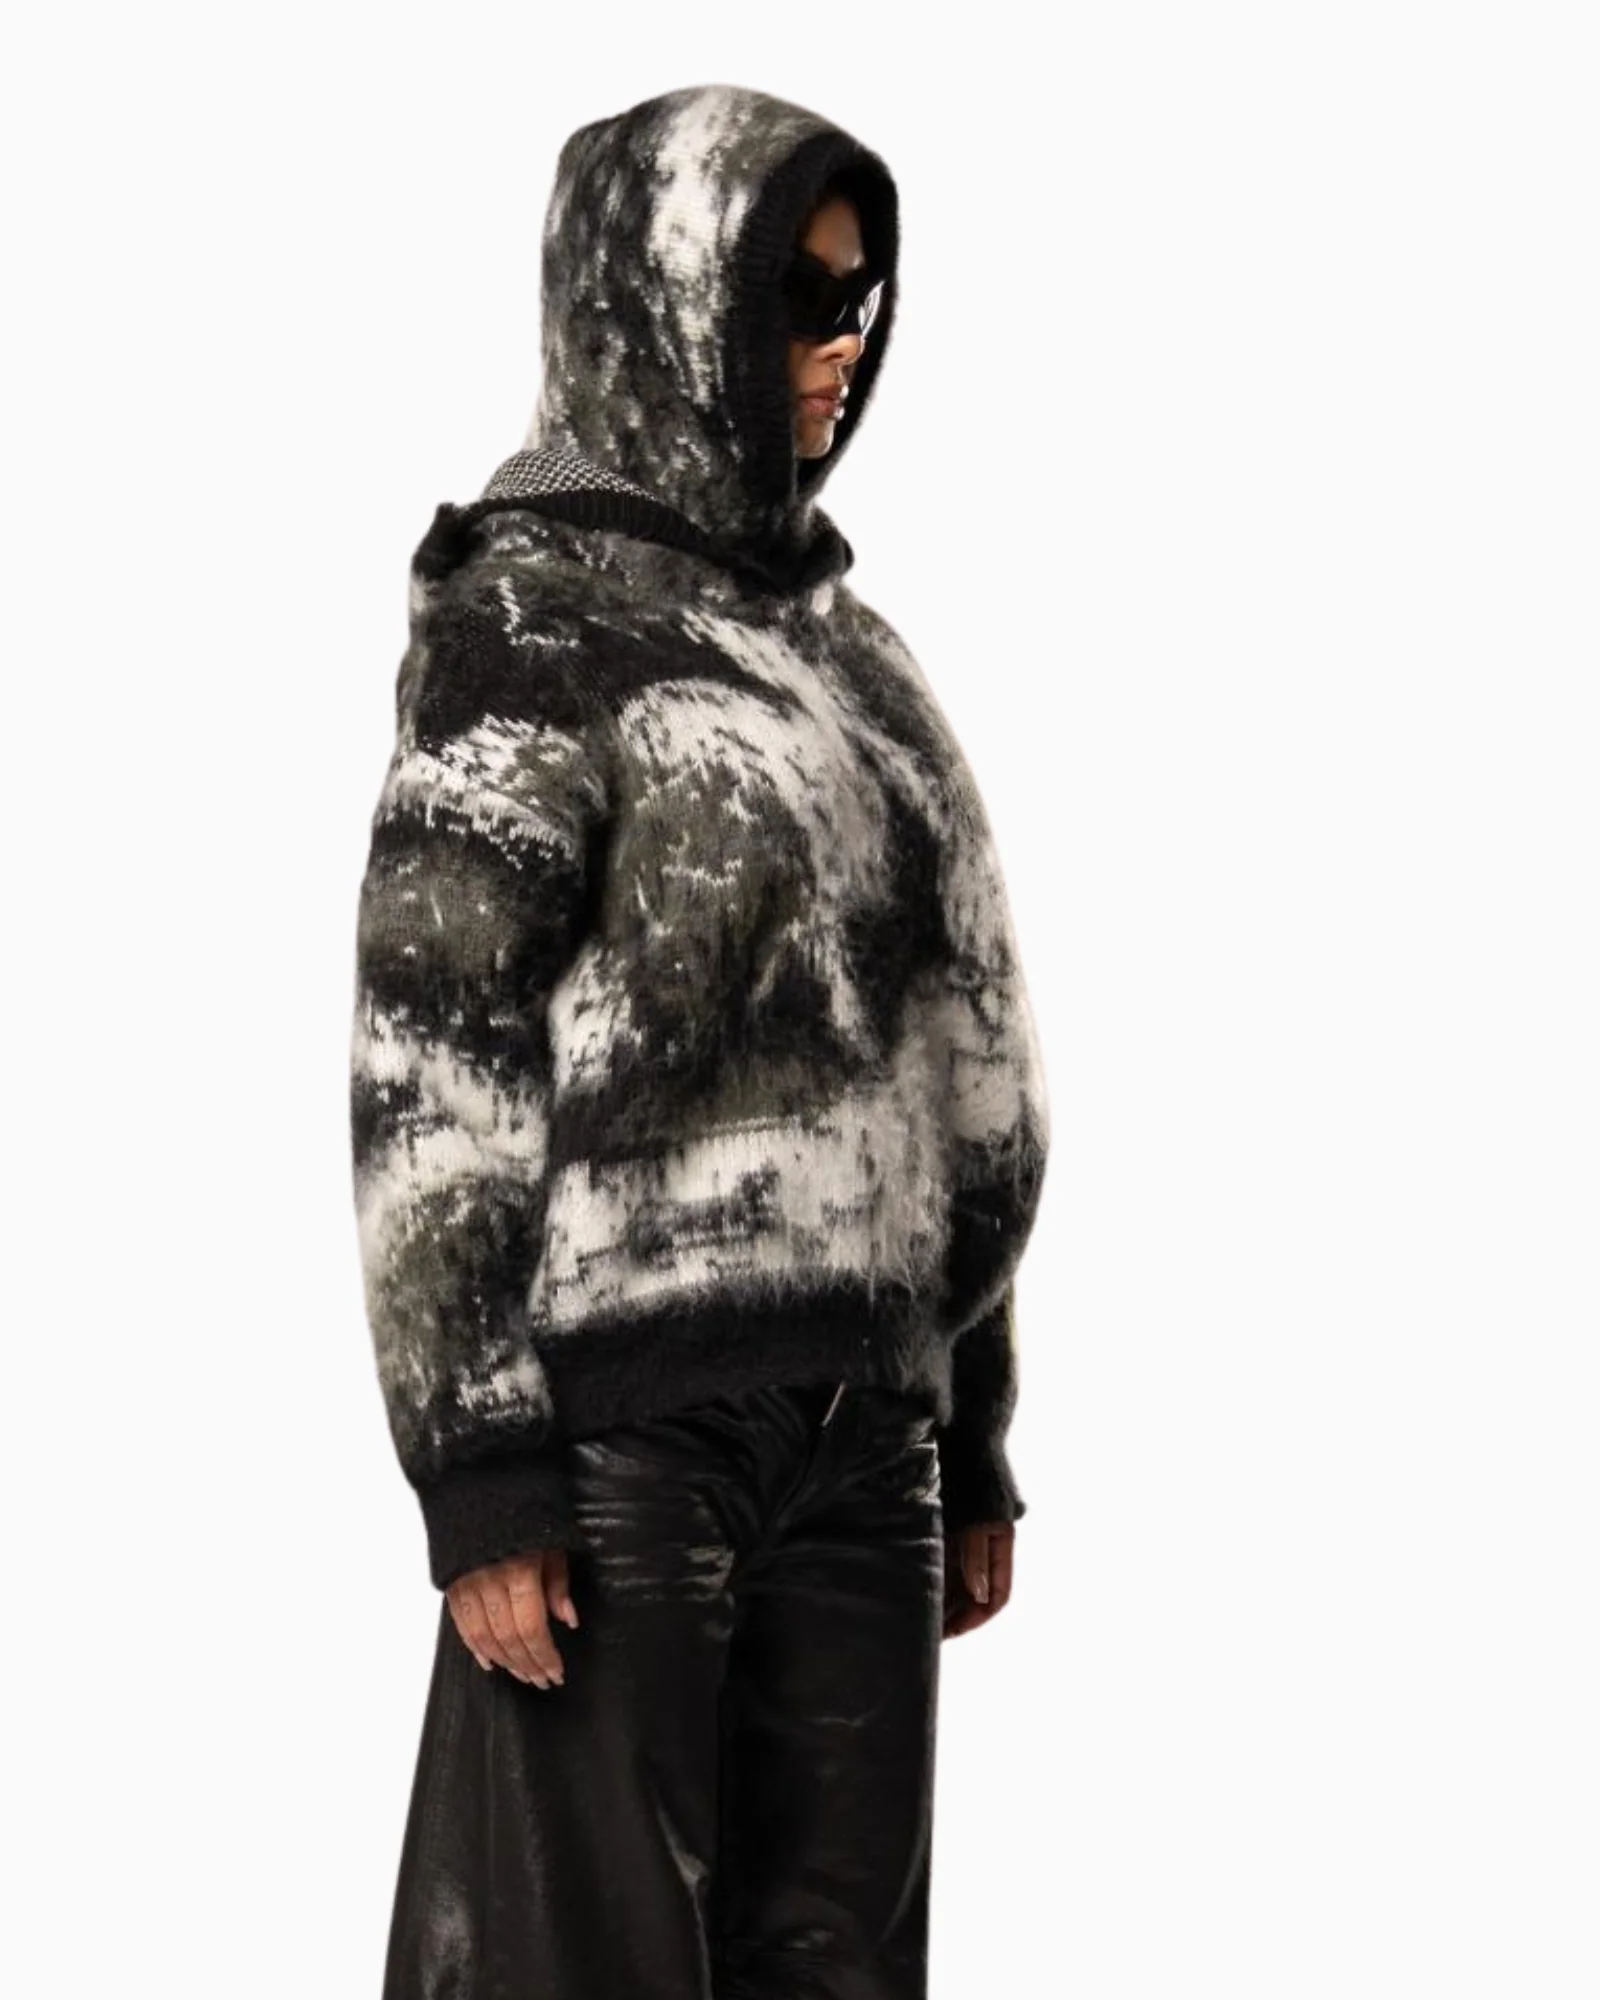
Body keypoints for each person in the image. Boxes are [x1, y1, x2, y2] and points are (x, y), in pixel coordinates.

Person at [348, 80, 1051, 2000]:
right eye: (793, 300)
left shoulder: (854, 652)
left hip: (867, 1438)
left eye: (857, 301)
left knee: (840, 1972)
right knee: (580, 1966)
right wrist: (481, 1472)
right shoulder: (530, 616)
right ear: (659, 303)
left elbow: (950, 1052)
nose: (841, 347)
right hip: (626, 1444)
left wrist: (973, 1423)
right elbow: (434, 1052)